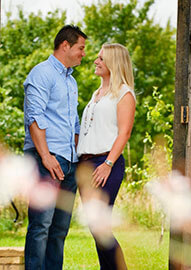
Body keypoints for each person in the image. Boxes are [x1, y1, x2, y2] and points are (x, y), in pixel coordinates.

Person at [23, 25, 87, 270]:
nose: (83, 54)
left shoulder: (71, 81)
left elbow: (74, 123)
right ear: (65, 46)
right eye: (80, 48)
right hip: (46, 160)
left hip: (69, 162)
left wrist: (75, 158)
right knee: (41, 225)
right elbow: (35, 117)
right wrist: (46, 156)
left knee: (60, 229)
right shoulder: (42, 74)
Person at [77, 43, 136, 270]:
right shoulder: (97, 94)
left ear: (113, 62)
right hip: (87, 163)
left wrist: (108, 163)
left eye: (101, 58)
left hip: (105, 163)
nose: (95, 61)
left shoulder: (124, 93)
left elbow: (125, 132)